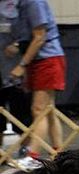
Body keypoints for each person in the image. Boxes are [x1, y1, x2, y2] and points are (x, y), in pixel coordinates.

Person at [9, 0, 65, 171]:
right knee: (49, 110)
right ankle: (59, 154)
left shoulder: (34, 2)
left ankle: (32, 157)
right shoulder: (20, 4)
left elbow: (40, 36)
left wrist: (22, 65)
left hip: (47, 59)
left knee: (38, 109)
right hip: (38, 60)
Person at [0, 0, 31, 154]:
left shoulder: (20, 5)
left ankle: (25, 149)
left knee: (21, 112)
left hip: (14, 68)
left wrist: (18, 45)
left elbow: (31, 32)